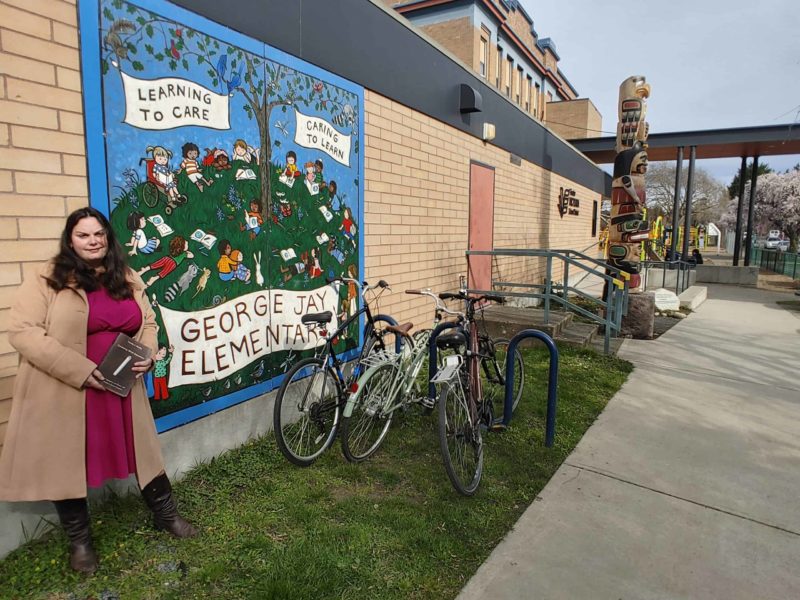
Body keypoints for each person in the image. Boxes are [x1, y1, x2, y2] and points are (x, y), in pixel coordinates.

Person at [0, 207, 197, 575]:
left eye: (99, 235)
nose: (93, 241)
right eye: (84, 235)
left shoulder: (125, 274)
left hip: (121, 386)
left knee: (144, 452)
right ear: (70, 240)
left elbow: (148, 321)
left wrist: (149, 352)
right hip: (68, 389)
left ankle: (166, 516)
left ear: (108, 238)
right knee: (67, 462)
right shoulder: (48, 278)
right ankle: (80, 543)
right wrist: (78, 369)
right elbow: (22, 332)